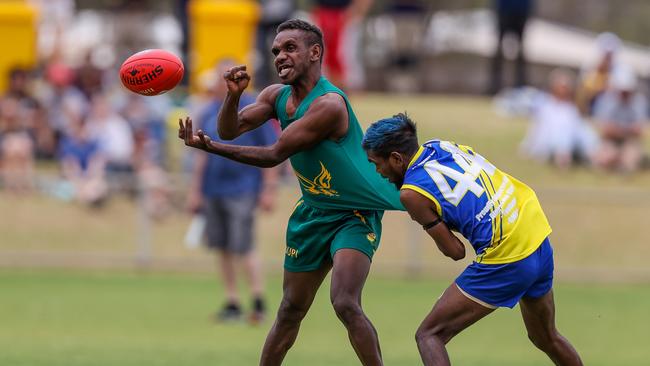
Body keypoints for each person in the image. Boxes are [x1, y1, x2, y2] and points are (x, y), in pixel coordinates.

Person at [178, 19, 402, 365]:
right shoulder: (275, 96)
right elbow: (231, 128)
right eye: (276, 51)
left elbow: (273, 155)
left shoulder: (329, 104)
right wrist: (233, 97)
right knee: (289, 310)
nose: (280, 56)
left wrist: (211, 147)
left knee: (344, 301)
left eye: (289, 48)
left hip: (353, 213)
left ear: (315, 53)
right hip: (312, 213)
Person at [362, 113, 583, 366]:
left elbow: (455, 251)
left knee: (429, 335)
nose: (378, 172)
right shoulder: (439, 145)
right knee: (545, 337)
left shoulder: (411, 194)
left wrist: (429, 220)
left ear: (397, 159)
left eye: (376, 163)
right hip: (534, 232)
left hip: (508, 255)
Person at [186, 60, 279, 323]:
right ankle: (232, 302)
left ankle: (258, 300)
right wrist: (195, 191)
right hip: (213, 190)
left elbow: (271, 152)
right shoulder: (207, 112)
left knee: (244, 246)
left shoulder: (254, 109)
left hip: (243, 189)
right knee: (222, 247)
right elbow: (201, 157)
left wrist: (268, 190)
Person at [519, 69, 598, 169]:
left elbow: (579, 129)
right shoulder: (546, 106)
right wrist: (527, 147)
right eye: (561, 87)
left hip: (572, 143)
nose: (564, 90)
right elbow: (537, 130)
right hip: (551, 144)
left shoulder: (572, 108)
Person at [592, 68, 648, 173]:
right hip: (610, 142)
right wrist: (627, 130)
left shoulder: (640, 102)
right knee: (601, 161)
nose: (625, 94)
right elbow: (604, 129)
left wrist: (618, 130)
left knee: (630, 163)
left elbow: (640, 130)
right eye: (623, 91)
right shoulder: (606, 100)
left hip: (630, 142)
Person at [488, 0, 533, 95]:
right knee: (499, 50)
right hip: (504, 9)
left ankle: (520, 86)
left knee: (520, 52)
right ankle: (494, 85)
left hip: (521, 10)